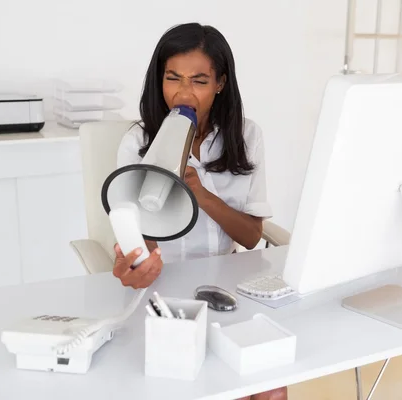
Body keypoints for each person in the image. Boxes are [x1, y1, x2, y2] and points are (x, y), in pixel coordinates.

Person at [112, 23, 286, 400]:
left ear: (220, 83)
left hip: (225, 284)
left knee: (270, 391)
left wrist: (202, 195)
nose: (183, 93)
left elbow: (251, 236)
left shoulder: (246, 136)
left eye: (199, 81)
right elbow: (140, 238)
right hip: (163, 290)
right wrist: (137, 258)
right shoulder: (138, 143)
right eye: (172, 78)